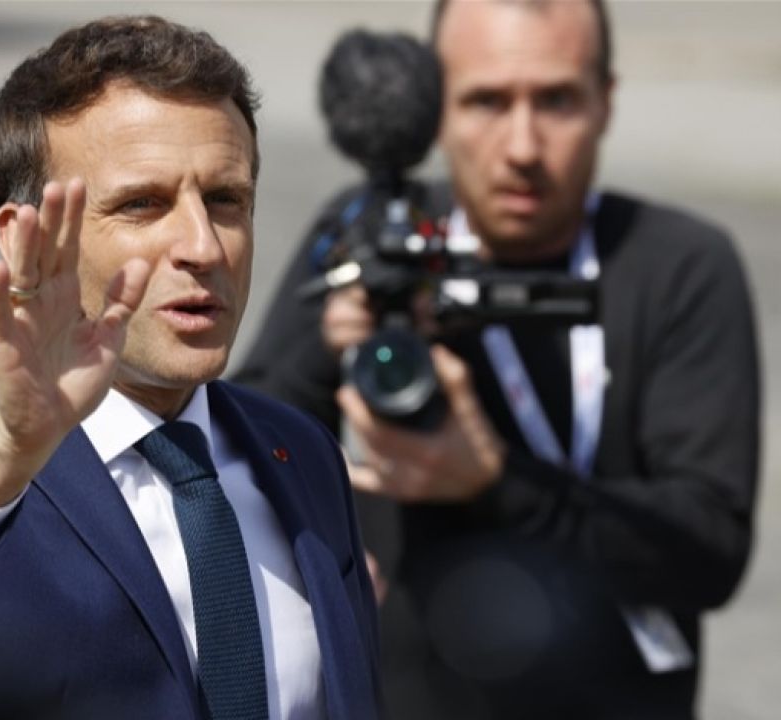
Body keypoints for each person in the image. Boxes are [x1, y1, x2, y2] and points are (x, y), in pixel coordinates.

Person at [0, 15, 382, 720]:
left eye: (225, 200)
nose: (204, 247)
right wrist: (3, 456)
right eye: (142, 205)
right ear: (24, 239)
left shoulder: (299, 454)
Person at [235, 0, 760, 718]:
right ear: (436, 108)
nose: (522, 146)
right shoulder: (374, 235)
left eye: (557, 100)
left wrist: (493, 481)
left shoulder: (679, 265)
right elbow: (239, 456)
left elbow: (709, 554)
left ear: (606, 101)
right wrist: (327, 353)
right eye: (486, 101)